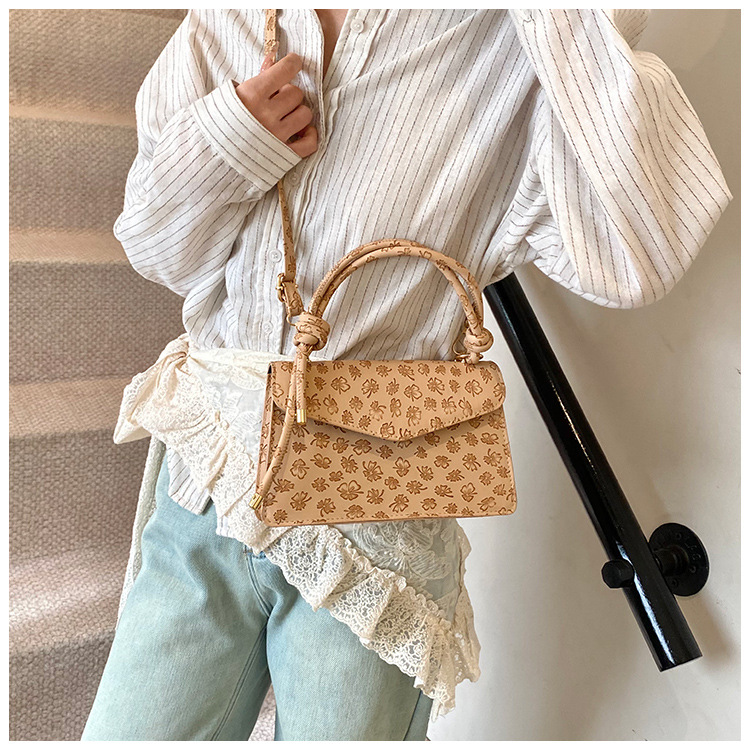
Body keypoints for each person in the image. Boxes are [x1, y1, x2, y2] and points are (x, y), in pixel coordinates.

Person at [81, 9, 732, 742]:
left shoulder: (516, 35)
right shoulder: (233, 18)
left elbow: (643, 251)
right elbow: (156, 249)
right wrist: (229, 143)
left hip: (377, 526)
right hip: (210, 481)